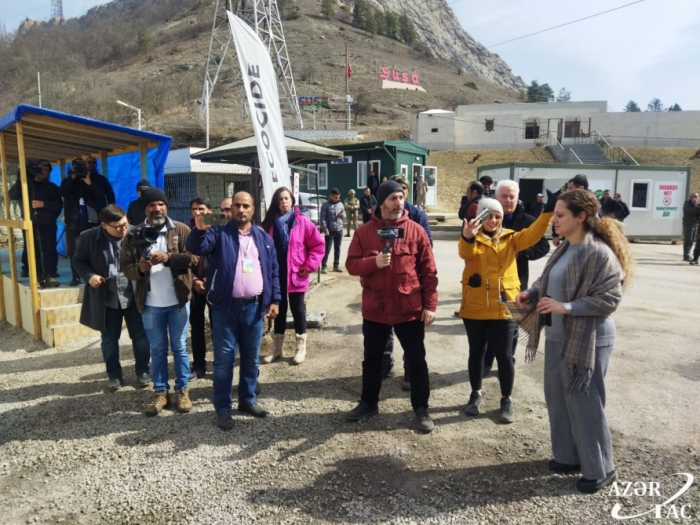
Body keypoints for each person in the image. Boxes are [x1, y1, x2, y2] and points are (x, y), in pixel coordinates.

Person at [516, 189, 634, 494]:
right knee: (557, 397)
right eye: (555, 214)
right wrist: (532, 292)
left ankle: (600, 468)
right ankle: (567, 456)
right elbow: (547, 280)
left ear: (580, 217)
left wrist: (565, 307)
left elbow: (610, 298)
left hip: (589, 338)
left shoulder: (598, 252)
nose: (554, 220)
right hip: (558, 336)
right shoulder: (565, 246)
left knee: (585, 403)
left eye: (560, 215)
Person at [345, 181, 438, 433]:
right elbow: (351, 264)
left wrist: (429, 305)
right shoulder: (364, 232)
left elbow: (429, 272)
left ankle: (421, 408)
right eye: (393, 198)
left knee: (417, 361)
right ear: (382, 202)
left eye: (401, 197)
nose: (399, 202)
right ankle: (368, 403)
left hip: (409, 308)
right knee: (372, 360)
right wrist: (373, 262)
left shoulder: (416, 231)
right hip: (376, 309)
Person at [186, 191, 281, 431]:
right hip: (225, 309)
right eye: (236, 205)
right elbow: (196, 246)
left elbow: (273, 271)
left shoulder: (263, 237)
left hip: (254, 308)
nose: (240, 209)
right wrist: (199, 226)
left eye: (245, 206)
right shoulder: (218, 233)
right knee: (224, 361)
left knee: (250, 359)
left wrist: (275, 300)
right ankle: (223, 408)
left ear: (252, 210)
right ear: (230, 209)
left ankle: (247, 400)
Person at [458, 193, 555, 423]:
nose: (493, 220)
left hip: (504, 308)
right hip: (476, 307)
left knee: (505, 356)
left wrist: (548, 212)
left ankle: (506, 399)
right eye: (488, 215)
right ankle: (475, 394)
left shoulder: (512, 239)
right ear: (480, 216)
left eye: (497, 216)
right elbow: (465, 253)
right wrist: (467, 236)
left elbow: (535, 234)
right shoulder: (472, 238)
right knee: (476, 352)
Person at [121, 187, 197, 416]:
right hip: (151, 303)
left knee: (180, 348)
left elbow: (194, 259)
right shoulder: (134, 235)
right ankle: (161, 392)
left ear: (167, 206)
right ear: (145, 208)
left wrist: (168, 258)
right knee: (158, 349)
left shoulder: (182, 230)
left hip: (178, 301)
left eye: (161, 204)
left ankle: (182, 390)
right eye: (152, 205)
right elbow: (126, 269)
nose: (157, 208)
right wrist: (140, 269)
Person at [73, 204, 151, 392]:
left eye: (125, 223)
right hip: (106, 298)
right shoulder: (88, 238)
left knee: (140, 336)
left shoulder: (136, 234)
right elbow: (78, 260)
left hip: (133, 296)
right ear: (104, 225)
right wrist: (89, 276)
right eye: (118, 227)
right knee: (109, 339)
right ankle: (114, 375)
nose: (124, 229)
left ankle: (142, 371)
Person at [482, 180, 550, 376]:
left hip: (516, 282)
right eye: (504, 196)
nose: (508, 200)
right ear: (496, 197)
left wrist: (523, 251)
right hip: (489, 284)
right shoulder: (486, 219)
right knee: (488, 326)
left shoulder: (528, 221)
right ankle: (486, 361)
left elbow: (543, 247)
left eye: (512, 196)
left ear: (518, 198)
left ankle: (508, 359)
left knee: (510, 325)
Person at [261, 187, 325, 365]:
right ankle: (277, 349)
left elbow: (318, 246)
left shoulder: (302, 222)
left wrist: (309, 265)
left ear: (292, 201)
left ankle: (300, 347)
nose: (283, 202)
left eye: (286, 198)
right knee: (278, 310)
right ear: (276, 202)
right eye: (280, 199)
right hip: (276, 273)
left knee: (298, 310)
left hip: (297, 272)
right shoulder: (269, 223)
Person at [382, 174, 434, 388]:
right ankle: (385, 363)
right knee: (385, 327)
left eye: (403, 191)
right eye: (394, 193)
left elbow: (427, 243)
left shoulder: (416, 215)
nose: (399, 198)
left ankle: (410, 371)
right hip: (384, 284)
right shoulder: (380, 214)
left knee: (411, 333)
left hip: (409, 284)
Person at [61, 156, 115, 286]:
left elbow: (105, 196)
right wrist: (73, 177)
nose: (89, 165)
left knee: (94, 248)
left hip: (94, 219)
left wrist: (89, 183)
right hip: (74, 220)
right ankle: (76, 277)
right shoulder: (69, 180)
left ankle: (94, 275)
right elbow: (62, 192)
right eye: (85, 163)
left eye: (92, 162)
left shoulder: (100, 179)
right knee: (74, 250)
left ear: (95, 165)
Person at [8, 160, 62, 287]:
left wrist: (44, 204)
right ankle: (36, 275)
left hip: (47, 223)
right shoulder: (26, 185)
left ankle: (50, 274)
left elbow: (59, 205)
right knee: (33, 250)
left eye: (46, 170)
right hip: (30, 223)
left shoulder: (52, 188)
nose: (43, 172)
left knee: (49, 250)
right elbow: (13, 195)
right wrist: (21, 177)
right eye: (40, 169)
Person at [189, 197, 214, 378]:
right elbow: (181, 261)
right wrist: (193, 280)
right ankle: (198, 365)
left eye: (202, 209)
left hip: (214, 287)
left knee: (218, 327)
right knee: (196, 328)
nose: (198, 213)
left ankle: (220, 363)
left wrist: (209, 279)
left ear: (210, 212)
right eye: (194, 209)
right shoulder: (187, 232)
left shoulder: (218, 232)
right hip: (194, 288)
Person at [553, 174, 589, 246]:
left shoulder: (590, 205)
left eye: (570, 188)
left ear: (581, 188)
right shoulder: (567, 202)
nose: (567, 191)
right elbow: (558, 218)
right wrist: (555, 235)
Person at [320, 188, 345, 273]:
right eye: (335, 197)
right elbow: (322, 219)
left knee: (337, 248)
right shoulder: (325, 205)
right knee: (327, 249)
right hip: (329, 231)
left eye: (338, 197)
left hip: (339, 229)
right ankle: (324, 266)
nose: (337, 199)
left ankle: (336, 266)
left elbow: (344, 215)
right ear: (331, 196)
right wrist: (325, 230)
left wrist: (342, 215)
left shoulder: (341, 204)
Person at [682, 192, 698, 262]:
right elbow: (692, 211)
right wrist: (695, 204)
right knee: (688, 240)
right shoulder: (687, 204)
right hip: (688, 224)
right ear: (690, 197)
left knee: (692, 241)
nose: (696, 198)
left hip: (695, 224)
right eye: (694, 196)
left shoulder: (697, 205)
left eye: (697, 197)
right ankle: (686, 255)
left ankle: (689, 254)